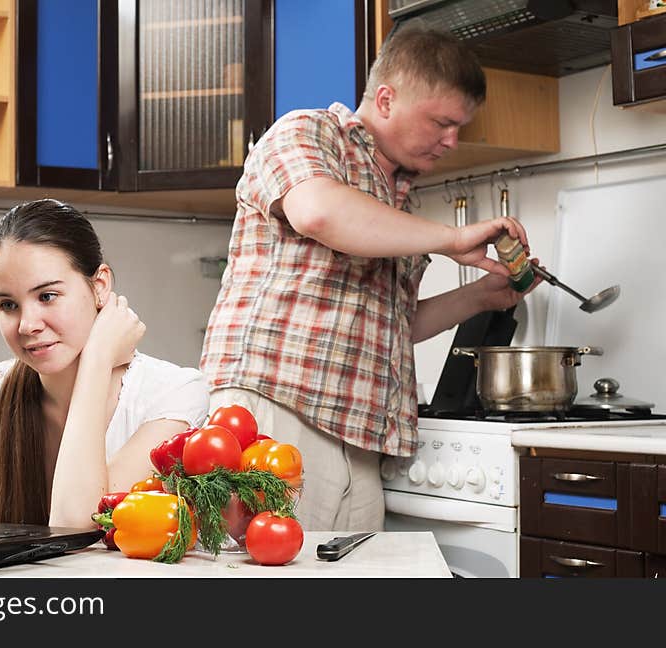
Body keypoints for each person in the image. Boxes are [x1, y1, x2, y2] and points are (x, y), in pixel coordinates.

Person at [199, 26, 542, 532]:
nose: (453, 140)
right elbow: (316, 211)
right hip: (276, 406)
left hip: (358, 433)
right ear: (385, 99)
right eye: (443, 123)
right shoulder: (309, 132)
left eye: (460, 127)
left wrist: (481, 296)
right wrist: (450, 238)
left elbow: (392, 325)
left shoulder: (399, 196)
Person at [0, 198, 209, 529]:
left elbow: (79, 526)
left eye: (47, 296)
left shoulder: (172, 395)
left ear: (100, 286)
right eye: (8, 304)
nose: (27, 325)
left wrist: (97, 358)